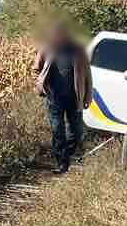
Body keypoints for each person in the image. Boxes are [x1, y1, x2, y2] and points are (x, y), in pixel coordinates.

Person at [32, 22, 90, 173]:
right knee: (57, 130)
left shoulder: (77, 49)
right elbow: (36, 70)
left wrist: (88, 96)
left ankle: (66, 154)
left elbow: (87, 75)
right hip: (54, 97)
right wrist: (41, 87)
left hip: (74, 97)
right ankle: (61, 163)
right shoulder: (46, 48)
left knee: (77, 132)